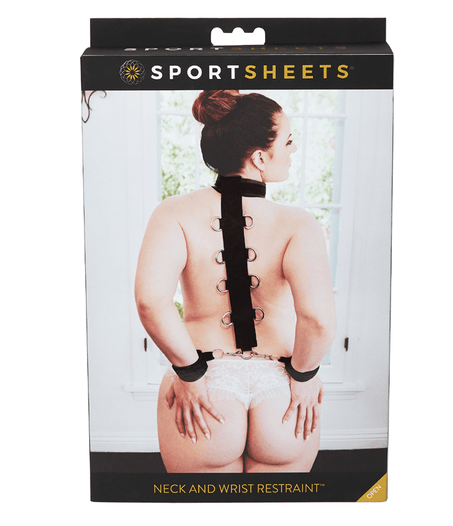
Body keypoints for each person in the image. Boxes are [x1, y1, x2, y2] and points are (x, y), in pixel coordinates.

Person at [135, 90, 336, 473]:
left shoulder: (172, 213)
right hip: (281, 389)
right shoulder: (299, 224)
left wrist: (190, 374)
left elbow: (150, 302)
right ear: (260, 157)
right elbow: (318, 319)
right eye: (288, 141)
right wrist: (305, 376)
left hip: (205, 385)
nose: (293, 149)